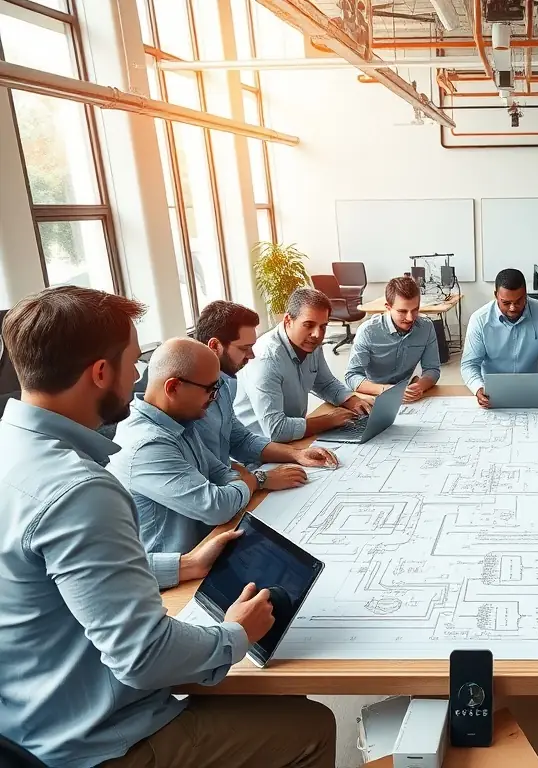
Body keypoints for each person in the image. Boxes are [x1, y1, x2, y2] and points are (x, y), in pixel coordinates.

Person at [0, 287, 335, 768]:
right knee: (310, 725)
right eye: (135, 362)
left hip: (28, 719)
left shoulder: (15, 451)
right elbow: (145, 657)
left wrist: (182, 564)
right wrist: (235, 634)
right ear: (100, 372)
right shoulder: (79, 490)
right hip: (97, 740)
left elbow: (59, 576)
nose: (139, 376)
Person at [109, 339, 260, 556]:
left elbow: (219, 471)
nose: (214, 397)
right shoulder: (147, 443)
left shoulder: (179, 420)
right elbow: (216, 507)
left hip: (208, 546)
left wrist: (241, 483)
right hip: (178, 576)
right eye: (210, 389)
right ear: (173, 387)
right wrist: (254, 481)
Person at [193, 300, 339, 481]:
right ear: (215, 346)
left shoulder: (226, 383)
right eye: (244, 348)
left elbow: (241, 440)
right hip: (224, 490)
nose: (252, 355)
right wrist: (261, 480)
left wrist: (297, 454)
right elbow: (208, 476)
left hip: (238, 478)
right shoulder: (189, 398)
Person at [235, 287, 372, 441]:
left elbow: (325, 383)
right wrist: (328, 420)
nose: (317, 334)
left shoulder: (310, 343)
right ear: (288, 320)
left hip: (295, 436)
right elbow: (276, 430)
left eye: (323, 326)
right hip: (260, 450)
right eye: (308, 325)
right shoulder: (265, 359)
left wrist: (353, 401)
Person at [461, 268, 538, 408]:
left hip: (533, 391)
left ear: (526, 294)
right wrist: (478, 388)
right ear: (496, 295)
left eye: (518, 301)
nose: (512, 308)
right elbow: (470, 363)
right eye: (506, 302)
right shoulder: (479, 320)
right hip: (492, 393)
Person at [344, 276, 441, 403]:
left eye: (415, 310)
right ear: (388, 307)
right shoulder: (368, 331)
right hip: (374, 394)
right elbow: (352, 376)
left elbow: (432, 369)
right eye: (402, 311)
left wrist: (419, 386)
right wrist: (388, 390)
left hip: (407, 395)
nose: (410, 318)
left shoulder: (426, 327)